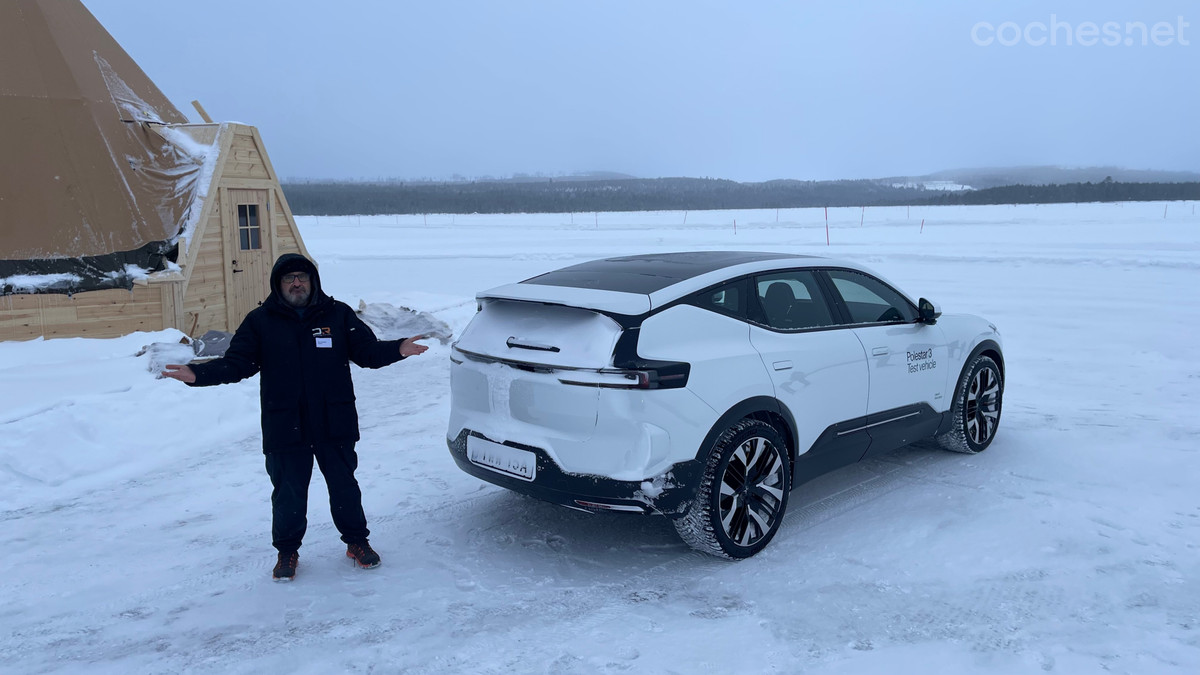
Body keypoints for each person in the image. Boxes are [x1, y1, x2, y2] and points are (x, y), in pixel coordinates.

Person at [162, 253, 428, 582]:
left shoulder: (338, 314)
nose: (296, 283)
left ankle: (357, 542)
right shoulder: (261, 321)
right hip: (284, 422)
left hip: (334, 418)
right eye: (289, 279)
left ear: (312, 281)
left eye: (302, 277)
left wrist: (397, 349)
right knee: (288, 490)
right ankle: (287, 551)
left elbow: (366, 352)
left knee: (345, 486)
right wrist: (199, 375)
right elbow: (238, 363)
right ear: (278, 284)